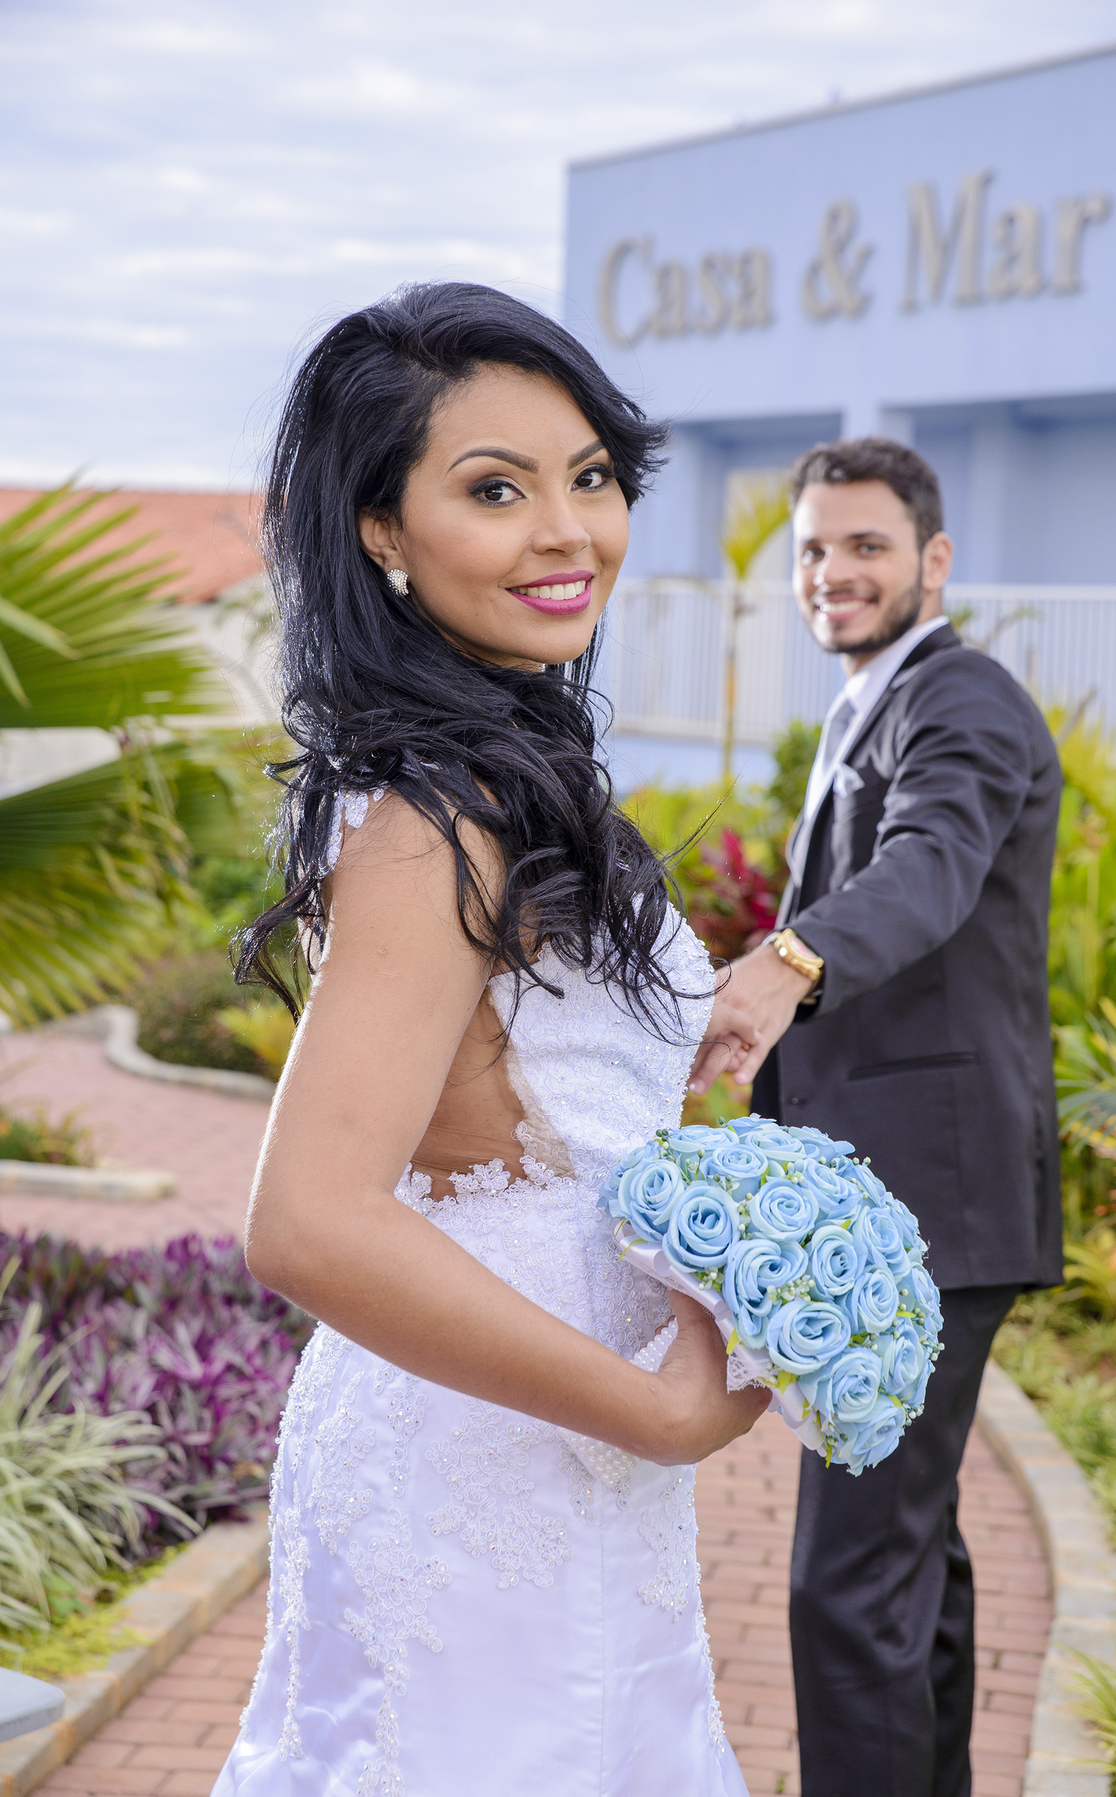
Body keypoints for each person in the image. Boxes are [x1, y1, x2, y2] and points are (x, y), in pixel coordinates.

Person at [210, 283, 770, 1797]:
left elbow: (523, 1069)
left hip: (540, 1435)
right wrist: (654, 1408)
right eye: (495, 489)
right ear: (383, 530)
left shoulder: (488, 762)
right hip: (496, 1449)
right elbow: (309, 1217)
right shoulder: (436, 814)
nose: (567, 530)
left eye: (590, 476)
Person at [689, 438, 1063, 1797]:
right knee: (911, 1561)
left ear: (935, 560)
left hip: (935, 1207)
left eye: (864, 546)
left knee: (847, 1587)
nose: (831, 573)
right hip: (922, 1199)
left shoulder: (960, 702)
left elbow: (929, 865)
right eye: (812, 550)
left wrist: (788, 962)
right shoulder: (876, 698)